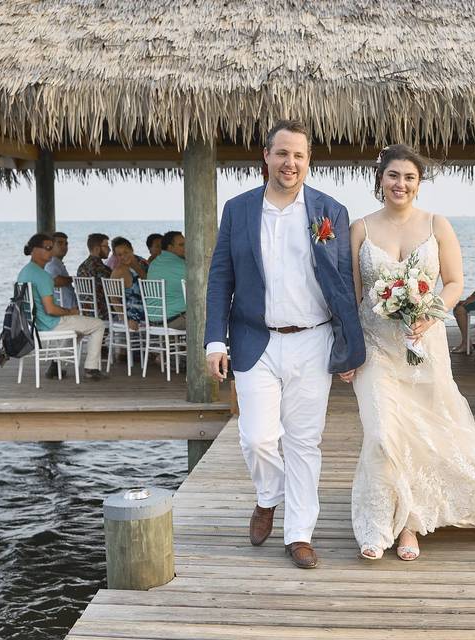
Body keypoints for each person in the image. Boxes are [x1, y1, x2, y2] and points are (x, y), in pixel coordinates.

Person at [347, 144, 475, 561]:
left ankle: (410, 526)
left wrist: (430, 313)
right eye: (393, 175)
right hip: (376, 346)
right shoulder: (360, 228)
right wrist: (345, 351)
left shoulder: (437, 224)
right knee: (384, 433)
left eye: (410, 177)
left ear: (419, 184)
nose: (401, 184)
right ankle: (379, 521)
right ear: (379, 179)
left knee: (424, 436)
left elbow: (454, 282)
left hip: (425, 345)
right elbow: (354, 295)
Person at [205, 120, 365, 570]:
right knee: (257, 438)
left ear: (308, 160)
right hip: (255, 339)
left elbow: (343, 286)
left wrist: (350, 349)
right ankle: (268, 497)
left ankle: (299, 533)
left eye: (298, 155)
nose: (289, 163)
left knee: (304, 443)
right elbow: (221, 278)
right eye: (281, 154)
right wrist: (214, 341)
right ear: (266, 156)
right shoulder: (238, 210)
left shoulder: (329, 211)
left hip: (313, 341)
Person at [17, 233, 107, 380]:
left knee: (79, 329)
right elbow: (51, 310)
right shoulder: (43, 276)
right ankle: (91, 368)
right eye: (47, 248)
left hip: (34, 324)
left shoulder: (25, 272)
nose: (50, 251)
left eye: (51, 248)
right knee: (98, 324)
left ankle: (57, 365)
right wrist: (70, 311)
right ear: (34, 250)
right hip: (49, 323)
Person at [146, 231, 186, 329]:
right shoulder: (181, 265)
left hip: (153, 319)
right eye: (181, 245)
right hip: (174, 319)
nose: (186, 247)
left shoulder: (154, 263)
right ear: (170, 247)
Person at [110, 237, 147, 328]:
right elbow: (114, 299)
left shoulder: (143, 263)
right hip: (134, 316)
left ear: (131, 249)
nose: (123, 256)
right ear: (116, 256)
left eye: (126, 252)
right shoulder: (119, 272)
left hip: (152, 311)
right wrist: (126, 319)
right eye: (119, 255)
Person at [76, 233, 112, 319]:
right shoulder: (101, 269)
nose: (110, 249)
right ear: (97, 248)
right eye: (106, 246)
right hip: (102, 313)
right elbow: (115, 291)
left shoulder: (81, 267)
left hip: (85, 312)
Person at [44, 231, 75, 309]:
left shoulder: (56, 262)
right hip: (64, 310)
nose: (64, 246)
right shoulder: (51, 263)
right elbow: (56, 281)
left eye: (66, 244)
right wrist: (74, 279)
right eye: (60, 243)